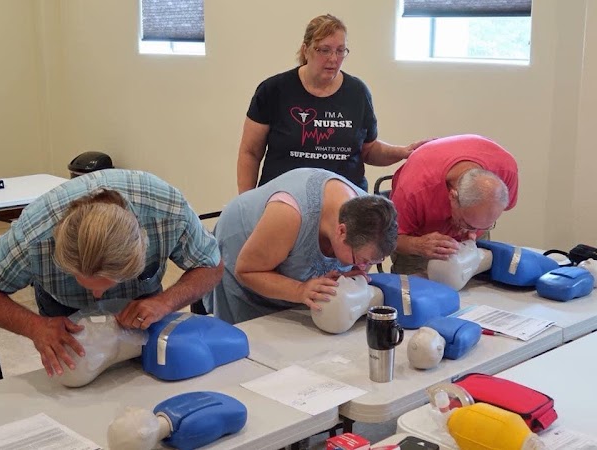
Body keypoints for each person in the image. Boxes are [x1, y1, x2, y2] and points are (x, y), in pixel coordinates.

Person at [0, 169, 223, 377]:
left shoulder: (168, 211)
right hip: (62, 308)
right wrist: (35, 327)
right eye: (82, 280)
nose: (98, 296)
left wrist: (165, 302)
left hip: (141, 301)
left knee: (144, 376)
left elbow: (211, 264)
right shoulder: (32, 237)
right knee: (76, 375)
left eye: (109, 282)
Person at [236, 13, 427, 194]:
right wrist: (246, 204)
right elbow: (250, 152)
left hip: (346, 202)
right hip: (283, 200)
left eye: (340, 51)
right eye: (325, 50)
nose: (333, 59)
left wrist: (403, 152)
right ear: (306, 50)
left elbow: (368, 150)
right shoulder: (273, 90)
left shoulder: (358, 92)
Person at [203, 167, 398, 324]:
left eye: (372, 262)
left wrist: (346, 274)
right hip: (241, 253)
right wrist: (299, 290)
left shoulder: (371, 216)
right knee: (253, 342)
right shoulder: (290, 215)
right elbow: (247, 271)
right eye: (361, 261)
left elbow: (357, 258)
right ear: (341, 231)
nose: (364, 268)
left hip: (282, 248)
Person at [390, 134, 518, 274]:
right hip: (419, 239)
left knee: (479, 281)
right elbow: (389, 239)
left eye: (486, 225)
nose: (472, 236)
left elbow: (475, 230)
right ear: (452, 196)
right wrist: (418, 245)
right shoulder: (412, 191)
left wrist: (478, 229)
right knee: (417, 285)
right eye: (467, 225)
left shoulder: (506, 170)